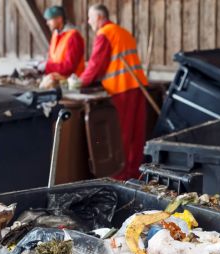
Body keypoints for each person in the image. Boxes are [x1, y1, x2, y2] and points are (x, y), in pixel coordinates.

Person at [79, 4, 148, 180]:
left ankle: (119, 178)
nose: (88, 21)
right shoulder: (123, 32)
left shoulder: (104, 34)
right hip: (137, 86)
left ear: (100, 18)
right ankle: (134, 174)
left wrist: (80, 82)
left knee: (121, 135)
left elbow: (96, 65)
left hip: (121, 88)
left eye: (90, 17)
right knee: (135, 134)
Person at [42, 5, 85, 78]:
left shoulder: (74, 36)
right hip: (59, 80)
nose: (47, 23)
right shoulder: (55, 34)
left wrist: (46, 67)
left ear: (59, 19)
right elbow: (52, 58)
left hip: (72, 83)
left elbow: (69, 67)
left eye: (49, 19)